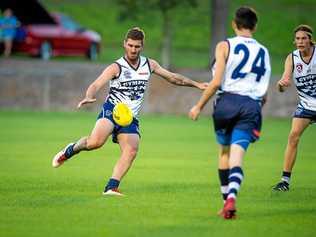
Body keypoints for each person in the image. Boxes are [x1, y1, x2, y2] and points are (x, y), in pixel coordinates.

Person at [52, 27, 208, 196]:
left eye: (137, 46)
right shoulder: (116, 67)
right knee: (94, 143)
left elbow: (174, 78)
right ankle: (71, 149)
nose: (133, 49)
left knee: (131, 151)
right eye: (131, 45)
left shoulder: (149, 64)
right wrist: (89, 95)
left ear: (142, 46)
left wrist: (197, 84)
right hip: (112, 110)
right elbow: (96, 84)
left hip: (130, 117)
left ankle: (111, 187)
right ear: (124, 44)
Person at [189, 6, 271, 219]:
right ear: (255, 26)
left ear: (234, 24)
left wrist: (198, 106)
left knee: (224, 153)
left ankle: (226, 201)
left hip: (227, 103)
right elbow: (264, 93)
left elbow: (216, 82)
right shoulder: (263, 51)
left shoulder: (225, 45)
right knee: (237, 156)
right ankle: (232, 197)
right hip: (252, 105)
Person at [272, 25, 316, 192]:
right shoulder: (292, 58)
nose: (300, 42)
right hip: (306, 104)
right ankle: (284, 181)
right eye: (297, 39)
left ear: (310, 40)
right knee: (293, 137)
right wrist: (281, 85)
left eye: (304, 38)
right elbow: (284, 82)